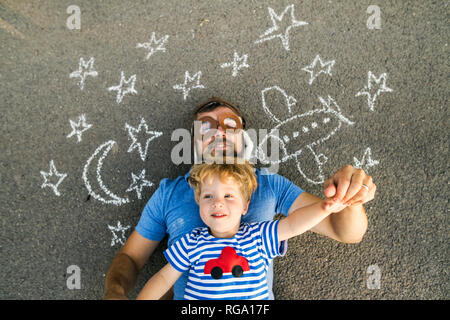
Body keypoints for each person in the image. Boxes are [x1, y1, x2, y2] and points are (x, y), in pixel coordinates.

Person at [104, 97, 375, 300]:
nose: (219, 132)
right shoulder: (170, 193)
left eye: (229, 125)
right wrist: (115, 292)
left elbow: (346, 232)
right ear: (193, 143)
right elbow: (132, 257)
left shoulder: (268, 184)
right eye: (206, 128)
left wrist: (347, 198)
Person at [136, 160, 349, 300]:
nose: (217, 203)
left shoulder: (258, 236)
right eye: (208, 196)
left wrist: (324, 208)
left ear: (245, 206)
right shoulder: (191, 242)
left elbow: (293, 225)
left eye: (228, 196)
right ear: (198, 204)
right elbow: (164, 279)